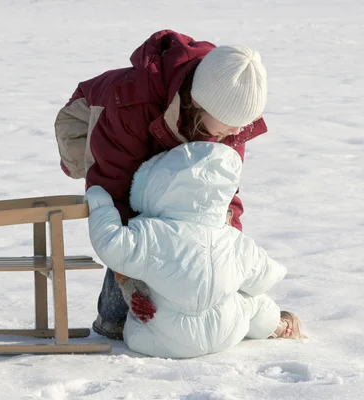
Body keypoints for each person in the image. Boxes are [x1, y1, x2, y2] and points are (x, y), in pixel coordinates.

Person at [54, 29, 269, 339]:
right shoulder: (129, 105)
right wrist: (127, 277)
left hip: (171, 122)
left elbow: (219, 193)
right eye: (229, 125)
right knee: (145, 208)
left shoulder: (230, 119)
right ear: (198, 103)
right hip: (91, 117)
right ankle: (110, 319)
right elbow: (113, 193)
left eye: (242, 125)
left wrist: (227, 263)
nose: (237, 132)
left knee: (186, 208)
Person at [84, 142, 305, 359]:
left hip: (162, 341)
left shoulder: (151, 233)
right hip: (225, 335)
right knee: (253, 301)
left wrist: (101, 204)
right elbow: (265, 278)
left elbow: (110, 243)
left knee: (142, 323)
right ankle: (276, 325)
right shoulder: (233, 239)